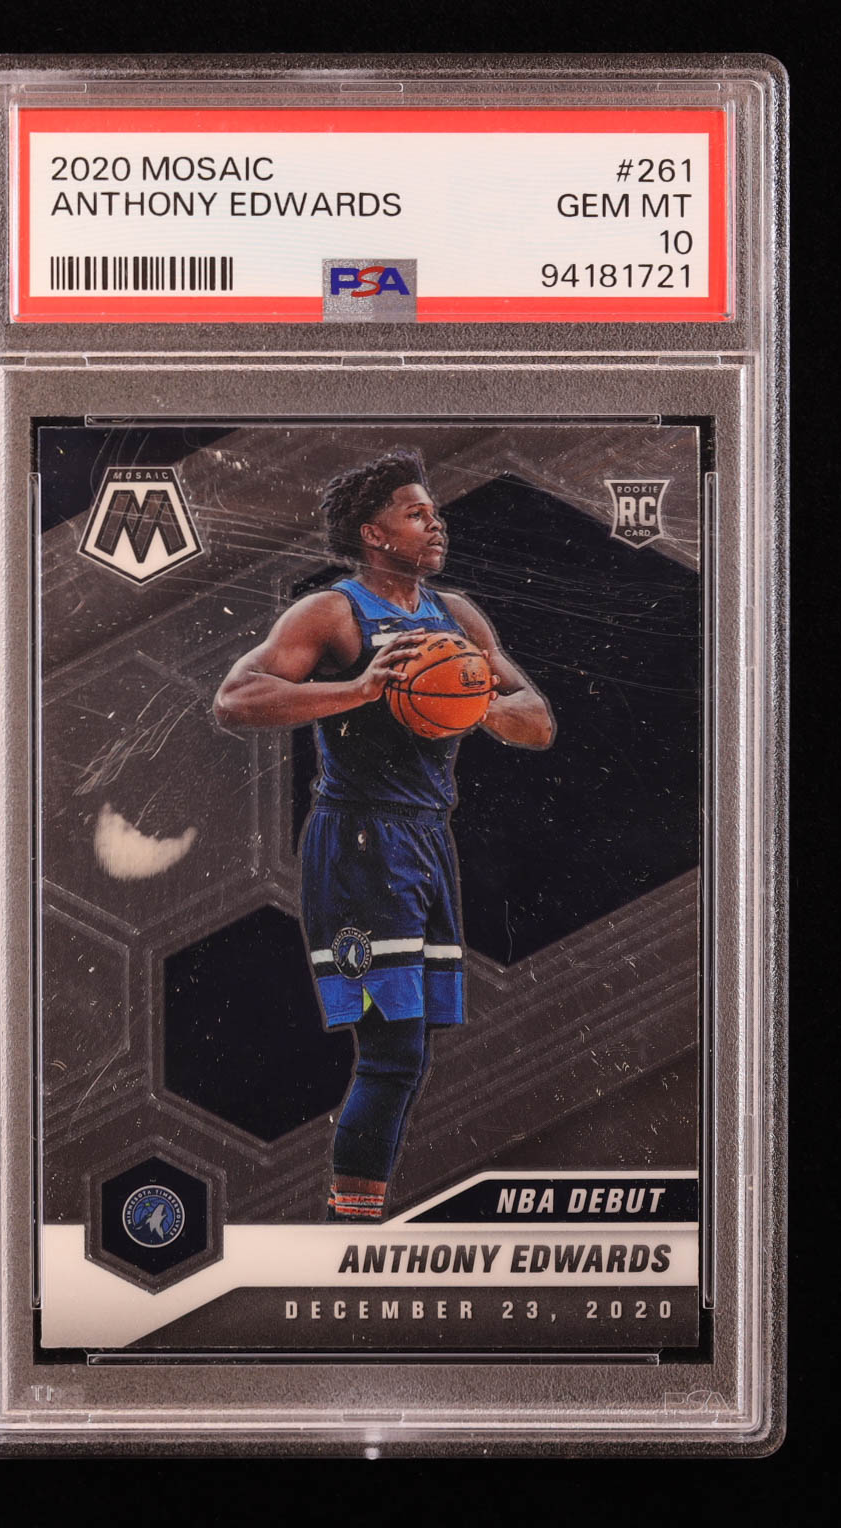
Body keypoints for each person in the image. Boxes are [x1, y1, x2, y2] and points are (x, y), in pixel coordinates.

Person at [213, 449, 554, 1221]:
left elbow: (536, 721)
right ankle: (349, 1227)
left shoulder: (456, 614)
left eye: (436, 513)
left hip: (428, 838)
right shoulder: (333, 613)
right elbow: (235, 698)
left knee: (412, 1051)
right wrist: (364, 690)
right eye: (416, 513)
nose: (436, 525)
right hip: (360, 838)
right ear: (373, 533)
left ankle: (356, 1215)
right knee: (392, 1049)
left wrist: (467, 700)